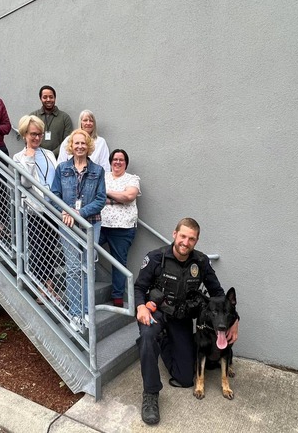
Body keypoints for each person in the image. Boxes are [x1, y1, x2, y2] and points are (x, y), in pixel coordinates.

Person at [135, 218, 239, 425]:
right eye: (183, 236)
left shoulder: (201, 262)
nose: (186, 242)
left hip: (181, 319)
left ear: (196, 241)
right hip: (156, 314)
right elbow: (139, 287)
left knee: (184, 379)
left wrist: (235, 320)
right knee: (147, 336)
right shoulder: (156, 258)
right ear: (174, 234)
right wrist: (139, 306)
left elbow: (218, 293)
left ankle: (163, 341)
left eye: (191, 238)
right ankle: (150, 395)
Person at [51, 129, 106, 328]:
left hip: (91, 222)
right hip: (67, 224)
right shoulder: (62, 169)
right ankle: (75, 313)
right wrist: (65, 213)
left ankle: (87, 311)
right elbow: (53, 195)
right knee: (73, 269)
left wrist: (78, 214)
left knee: (88, 269)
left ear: (89, 146)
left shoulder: (98, 170)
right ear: (71, 146)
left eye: (83, 143)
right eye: (77, 143)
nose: (80, 146)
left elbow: (100, 199)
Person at [13, 115, 59, 300]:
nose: (36, 138)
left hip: (53, 208)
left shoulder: (48, 154)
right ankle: (43, 289)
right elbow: (24, 181)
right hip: (34, 209)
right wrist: (30, 158)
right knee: (39, 249)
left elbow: (56, 178)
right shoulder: (18, 157)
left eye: (39, 134)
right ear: (24, 134)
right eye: (33, 134)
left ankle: (48, 286)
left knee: (50, 248)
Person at [99, 149, 140, 307]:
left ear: (126, 163)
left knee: (118, 262)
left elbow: (129, 196)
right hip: (100, 225)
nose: (117, 162)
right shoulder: (102, 177)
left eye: (121, 160)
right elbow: (95, 197)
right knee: (86, 251)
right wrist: (118, 197)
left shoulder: (132, 179)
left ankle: (117, 298)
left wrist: (106, 193)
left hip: (123, 228)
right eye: (115, 159)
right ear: (110, 162)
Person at [30, 85, 73, 157]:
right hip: (37, 157)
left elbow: (68, 141)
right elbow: (28, 138)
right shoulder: (33, 116)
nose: (48, 99)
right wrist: (40, 154)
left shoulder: (65, 118)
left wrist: (52, 154)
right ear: (40, 99)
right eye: (45, 97)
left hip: (58, 159)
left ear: (55, 98)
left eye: (51, 97)